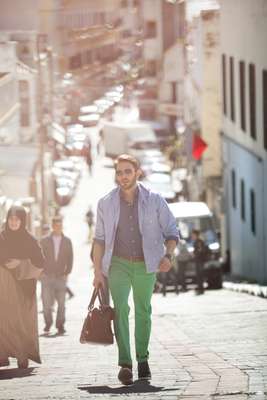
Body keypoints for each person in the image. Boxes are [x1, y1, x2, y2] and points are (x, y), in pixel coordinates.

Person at [92, 154, 179, 385]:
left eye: (127, 171)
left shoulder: (155, 200)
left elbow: (172, 231)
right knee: (120, 309)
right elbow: (99, 240)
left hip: (145, 264)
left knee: (143, 311)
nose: (123, 177)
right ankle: (125, 363)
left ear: (137, 172)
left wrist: (168, 255)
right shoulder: (105, 203)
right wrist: (97, 272)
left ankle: (143, 359)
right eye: (119, 172)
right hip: (117, 264)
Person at [0, 206, 44, 368]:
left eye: (17, 219)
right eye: (11, 219)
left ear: (22, 220)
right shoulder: (1, 238)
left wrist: (21, 263)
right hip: (3, 288)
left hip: (23, 288)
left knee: (21, 323)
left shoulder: (30, 241)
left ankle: (22, 355)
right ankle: (2, 355)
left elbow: (40, 263)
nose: (13, 222)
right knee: (3, 322)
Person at [40, 216, 73, 335]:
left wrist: (67, 273)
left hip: (61, 277)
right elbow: (39, 257)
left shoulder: (67, 241)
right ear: (52, 226)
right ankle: (48, 323)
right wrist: (41, 273)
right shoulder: (44, 240)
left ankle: (60, 325)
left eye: (60, 225)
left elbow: (70, 259)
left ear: (62, 225)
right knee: (46, 303)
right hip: (47, 276)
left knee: (62, 304)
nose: (58, 227)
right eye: (56, 225)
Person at [191, 229, 207, 295]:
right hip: (198, 260)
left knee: (200, 275)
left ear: (196, 234)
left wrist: (195, 254)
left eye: (193, 234)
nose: (192, 236)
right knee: (198, 275)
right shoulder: (196, 241)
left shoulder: (199, 241)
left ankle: (201, 289)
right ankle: (200, 288)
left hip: (200, 260)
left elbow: (200, 250)